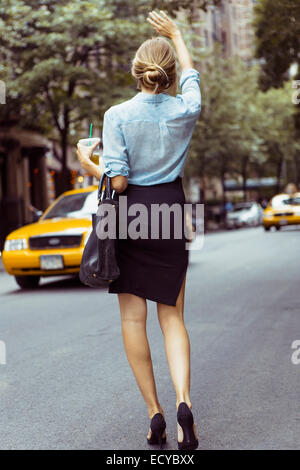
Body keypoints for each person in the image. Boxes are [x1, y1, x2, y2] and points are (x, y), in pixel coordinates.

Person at [76, 10, 201, 450]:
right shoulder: (187, 109)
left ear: (137, 73)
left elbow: (120, 182)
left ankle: (155, 415)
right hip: (172, 208)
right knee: (173, 316)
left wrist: (87, 162)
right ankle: (185, 402)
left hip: (126, 213)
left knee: (133, 317)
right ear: (168, 77)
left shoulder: (115, 115)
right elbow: (193, 81)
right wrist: (177, 35)